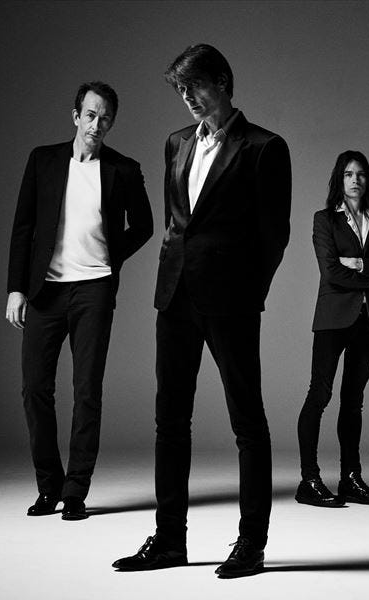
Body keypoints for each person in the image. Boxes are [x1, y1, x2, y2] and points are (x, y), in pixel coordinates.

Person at [112, 44, 291, 579]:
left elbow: (274, 236)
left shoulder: (264, 147)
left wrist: (249, 295)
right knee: (170, 420)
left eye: (194, 86)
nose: (187, 97)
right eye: (180, 89)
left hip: (231, 301)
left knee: (247, 422)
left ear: (223, 82)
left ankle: (251, 543)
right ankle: (170, 541)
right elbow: (178, 222)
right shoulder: (176, 142)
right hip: (175, 297)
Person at [5, 81, 153, 521]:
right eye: (90, 115)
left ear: (111, 123)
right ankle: (48, 486)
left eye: (105, 118)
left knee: (87, 390)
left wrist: (110, 257)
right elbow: (23, 227)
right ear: (75, 116)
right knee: (35, 388)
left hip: (94, 290)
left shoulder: (123, 169)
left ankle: (75, 491)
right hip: (45, 291)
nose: (96, 124)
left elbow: (144, 226)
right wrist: (16, 288)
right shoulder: (43, 160)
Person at [295, 151, 369, 508]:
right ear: (339, 180)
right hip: (332, 319)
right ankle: (309, 480)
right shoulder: (325, 219)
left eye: (360, 174)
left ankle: (351, 478)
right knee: (319, 395)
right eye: (348, 174)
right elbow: (330, 271)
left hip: (367, 320)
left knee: (353, 401)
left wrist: (358, 263)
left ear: (368, 179)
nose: (355, 180)